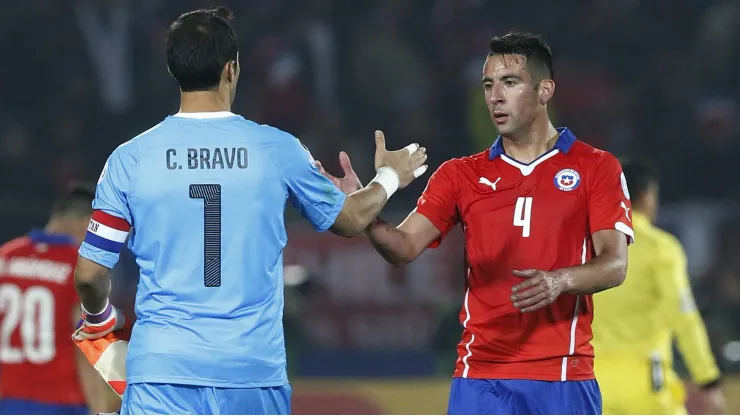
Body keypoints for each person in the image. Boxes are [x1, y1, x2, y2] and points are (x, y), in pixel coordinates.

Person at [71, 6, 427, 416]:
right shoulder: (277, 149)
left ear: (174, 70)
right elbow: (349, 219)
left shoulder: (128, 160)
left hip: (162, 375)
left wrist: (98, 319)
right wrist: (388, 178)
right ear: (231, 69)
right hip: (251, 375)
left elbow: (90, 274)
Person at [316, 32, 633, 415]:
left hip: (564, 376)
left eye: (510, 83)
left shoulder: (596, 167)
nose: (494, 96)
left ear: (544, 90)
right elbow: (402, 247)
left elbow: (614, 265)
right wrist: (364, 211)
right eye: (488, 85)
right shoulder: (460, 175)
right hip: (481, 378)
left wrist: (559, 280)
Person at [591, 160, 725, 415]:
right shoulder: (660, 248)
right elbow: (682, 317)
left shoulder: (582, 248)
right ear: (647, 196)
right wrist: (707, 378)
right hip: (645, 383)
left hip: (592, 381)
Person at [0, 184, 120, 414]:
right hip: (62, 402)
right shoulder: (80, 268)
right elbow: (86, 345)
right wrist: (98, 410)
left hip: (9, 402)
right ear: (89, 223)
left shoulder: (5, 258)